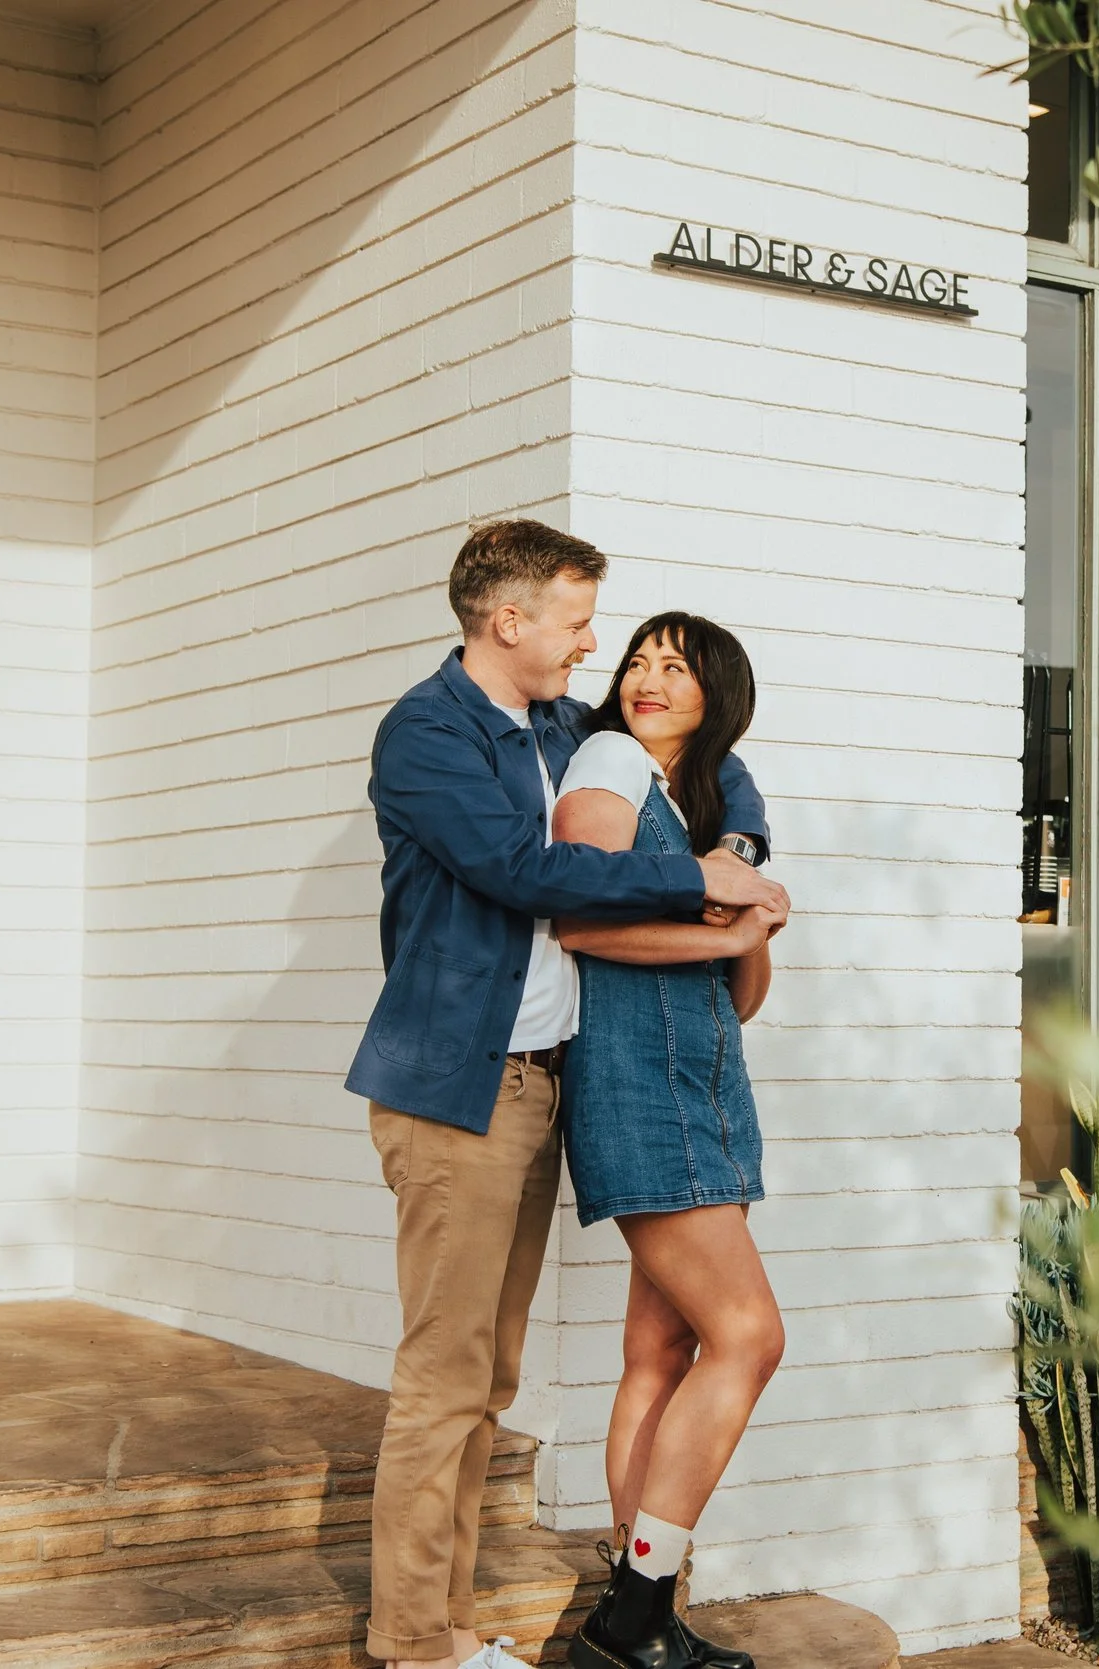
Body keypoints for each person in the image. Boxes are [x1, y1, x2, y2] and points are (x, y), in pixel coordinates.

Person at [345, 526, 788, 1669]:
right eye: (580, 621)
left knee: (487, 1376)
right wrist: (699, 877)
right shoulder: (427, 734)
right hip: (459, 1084)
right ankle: (413, 1646)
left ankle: (446, 1626)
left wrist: (736, 838)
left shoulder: (556, 727)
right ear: (509, 622)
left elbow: (702, 753)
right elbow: (526, 874)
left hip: (537, 1082)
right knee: (444, 1379)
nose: (599, 646)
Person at [552, 613, 787, 1669]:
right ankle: (637, 1608)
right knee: (750, 1337)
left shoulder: (706, 808)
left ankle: (642, 1610)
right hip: (642, 1086)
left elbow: (736, 995)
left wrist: (745, 925)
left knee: (663, 1347)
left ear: (715, 694)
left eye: (674, 667)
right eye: (637, 661)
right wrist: (730, 917)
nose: (646, 679)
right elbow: (582, 923)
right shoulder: (606, 761)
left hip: (706, 1081)